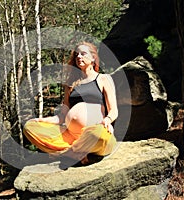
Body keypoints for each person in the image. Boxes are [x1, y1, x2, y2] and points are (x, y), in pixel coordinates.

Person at [23, 41, 118, 169]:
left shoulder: (103, 79)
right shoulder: (71, 84)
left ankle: (70, 153)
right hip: (70, 136)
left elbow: (113, 110)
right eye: (77, 55)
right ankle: (77, 152)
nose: (79, 57)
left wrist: (108, 120)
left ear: (93, 57)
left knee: (99, 135)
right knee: (30, 127)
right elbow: (62, 117)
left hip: (93, 132)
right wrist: (41, 120)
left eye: (83, 54)